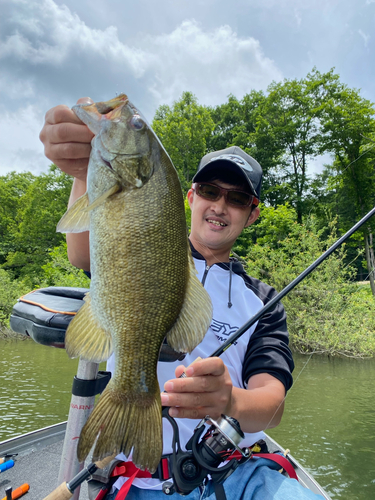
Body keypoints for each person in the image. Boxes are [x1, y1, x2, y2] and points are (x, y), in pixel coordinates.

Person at [40, 98, 324, 500]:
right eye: (210, 190)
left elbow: (272, 407)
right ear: (190, 197)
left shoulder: (263, 300)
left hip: (237, 472)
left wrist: (231, 399)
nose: (220, 205)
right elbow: (82, 255)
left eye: (238, 199)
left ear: (253, 214)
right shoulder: (144, 242)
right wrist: (81, 173)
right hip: (139, 478)